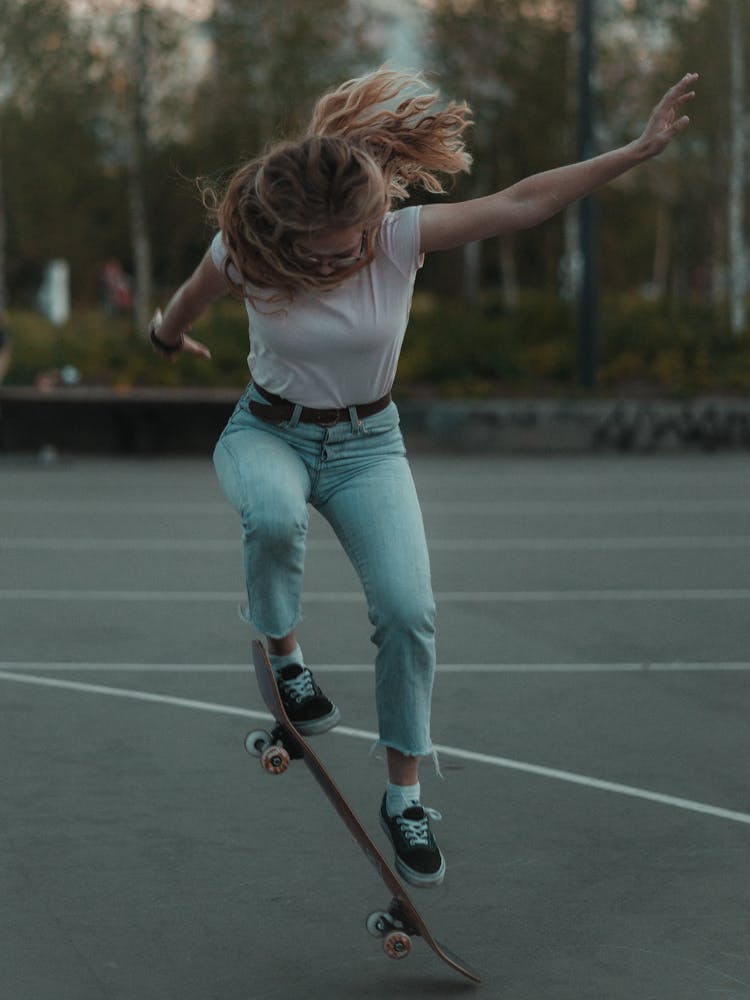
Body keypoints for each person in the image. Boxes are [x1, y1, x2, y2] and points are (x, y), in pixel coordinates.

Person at [149, 67, 698, 888]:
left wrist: (636, 150)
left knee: (410, 614)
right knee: (272, 517)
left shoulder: (397, 237)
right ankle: (286, 659)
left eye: (363, 237)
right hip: (267, 431)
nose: (356, 254)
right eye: (337, 251)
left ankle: (404, 797)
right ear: (295, 238)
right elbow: (188, 300)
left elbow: (524, 201)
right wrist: (164, 338)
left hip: (371, 446)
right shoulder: (245, 255)